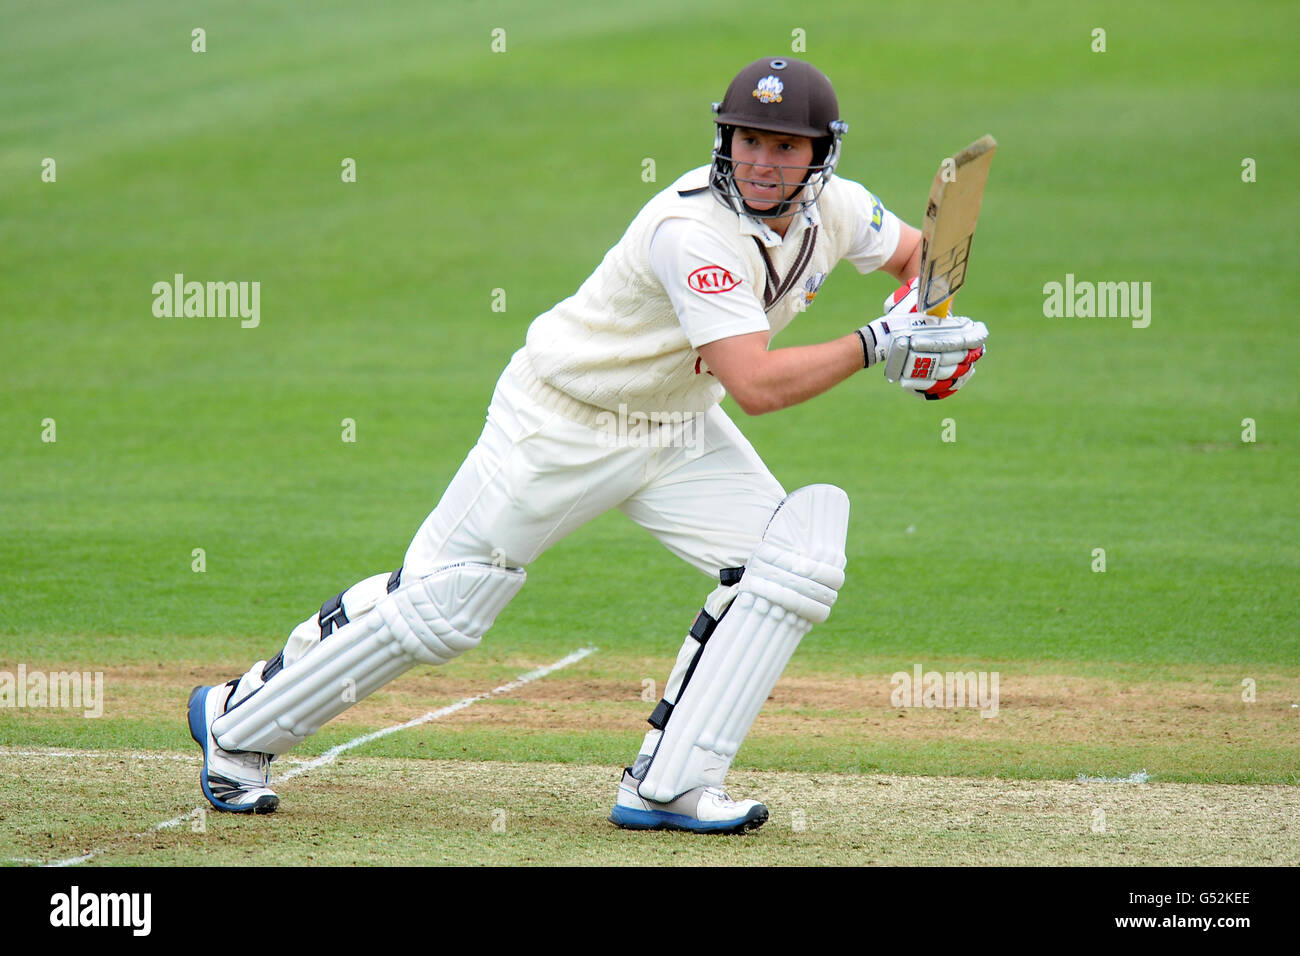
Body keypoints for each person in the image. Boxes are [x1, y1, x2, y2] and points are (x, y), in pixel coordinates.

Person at [187, 57, 987, 834]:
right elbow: (759, 386)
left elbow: (921, 256)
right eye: (747, 140)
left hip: (674, 425)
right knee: (445, 607)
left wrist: (931, 331)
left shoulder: (837, 208)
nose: (762, 162)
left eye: (784, 146)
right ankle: (237, 720)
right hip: (561, 423)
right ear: (725, 141)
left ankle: (671, 786)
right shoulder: (691, 231)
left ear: (820, 156)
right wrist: (885, 340)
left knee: (793, 563)